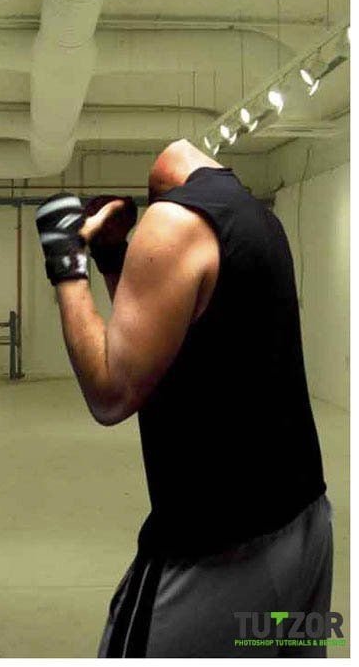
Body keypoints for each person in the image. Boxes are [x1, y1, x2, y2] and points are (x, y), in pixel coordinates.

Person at [35, 138, 332, 658]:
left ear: (159, 190)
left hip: (218, 554)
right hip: (304, 531)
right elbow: (156, 346)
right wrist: (113, 256)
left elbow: (111, 393)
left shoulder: (173, 220)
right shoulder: (260, 221)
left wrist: (67, 262)